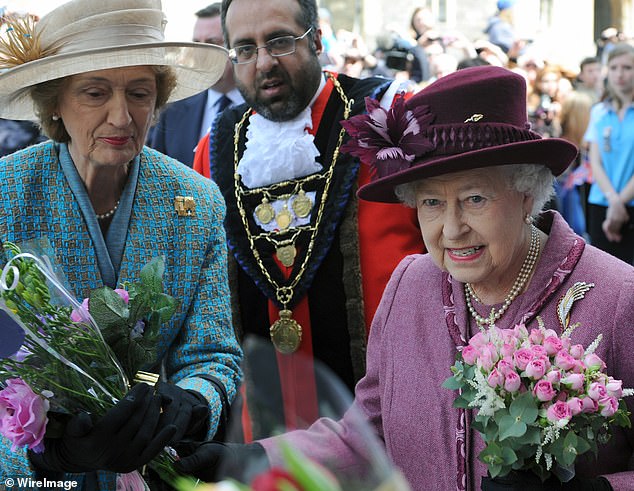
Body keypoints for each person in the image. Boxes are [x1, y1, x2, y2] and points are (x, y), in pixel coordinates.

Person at [176, 66, 634, 490]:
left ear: (526, 194)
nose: (451, 229)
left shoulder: (615, 297)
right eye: (431, 202)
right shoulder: (411, 286)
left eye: (475, 198)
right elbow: (364, 436)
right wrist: (248, 458)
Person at [0, 0, 243, 489]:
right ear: (54, 103)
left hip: (159, 467)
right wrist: (45, 455)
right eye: (95, 93)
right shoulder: (6, 194)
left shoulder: (195, 199)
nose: (122, 116)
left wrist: (190, 405)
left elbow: (213, 353)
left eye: (139, 93)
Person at [192, 0, 424, 440]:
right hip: (266, 431)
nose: (263, 63)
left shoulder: (386, 115)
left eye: (279, 41)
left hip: (394, 416)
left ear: (317, 39)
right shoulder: (214, 149)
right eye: (244, 48)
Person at [146, 3, 243, 167]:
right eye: (197, 43)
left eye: (212, 43)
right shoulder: (172, 111)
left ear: (236, 45)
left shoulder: (263, 107)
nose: (202, 53)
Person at [584, 43, 634, 265]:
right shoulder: (599, 111)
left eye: (627, 67)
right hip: (601, 202)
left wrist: (619, 203)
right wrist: (613, 201)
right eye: (613, 68)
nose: (619, 74)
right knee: (603, 274)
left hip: (630, 204)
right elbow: (595, 160)